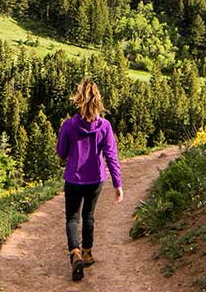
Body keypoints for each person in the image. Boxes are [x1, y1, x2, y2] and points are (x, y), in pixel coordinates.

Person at [56, 78, 122, 281]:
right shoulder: (105, 126)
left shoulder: (68, 125)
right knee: (89, 216)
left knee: (72, 218)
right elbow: (111, 156)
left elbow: (61, 152)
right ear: (98, 101)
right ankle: (87, 253)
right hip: (96, 179)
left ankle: (74, 253)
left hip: (73, 178)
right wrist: (117, 184)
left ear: (78, 100)